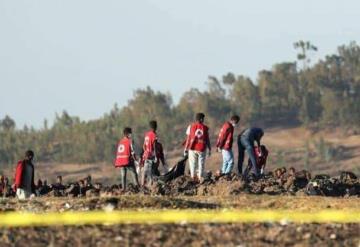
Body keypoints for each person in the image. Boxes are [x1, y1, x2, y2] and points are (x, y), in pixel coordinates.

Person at [184, 113, 211, 182]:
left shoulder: (190, 127)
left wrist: (185, 149)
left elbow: (188, 139)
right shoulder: (205, 128)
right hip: (202, 149)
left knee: (192, 164)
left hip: (192, 148)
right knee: (201, 164)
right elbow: (207, 139)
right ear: (201, 119)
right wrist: (209, 149)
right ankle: (200, 178)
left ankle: (193, 177)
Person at [141, 120, 158, 187]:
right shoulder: (154, 135)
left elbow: (143, 145)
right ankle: (151, 186)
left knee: (145, 172)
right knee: (151, 172)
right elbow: (154, 146)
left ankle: (142, 185)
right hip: (151, 156)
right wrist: (155, 155)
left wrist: (145, 152)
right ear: (156, 127)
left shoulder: (147, 134)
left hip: (146, 155)